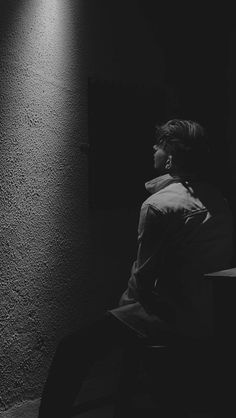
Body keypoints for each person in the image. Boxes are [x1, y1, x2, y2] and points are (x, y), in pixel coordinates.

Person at [38, 119, 233, 418]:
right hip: (212, 314)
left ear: (169, 158)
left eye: (158, 145)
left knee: (73, 348)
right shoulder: (218, 198)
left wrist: (122, 313)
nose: (152, 149)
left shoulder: (157, 205)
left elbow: (143, 281)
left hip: (170, 315)